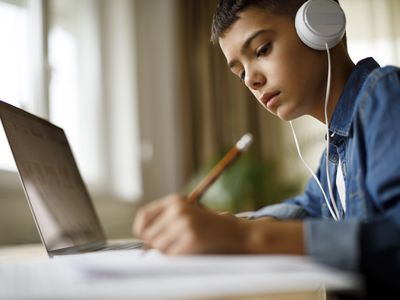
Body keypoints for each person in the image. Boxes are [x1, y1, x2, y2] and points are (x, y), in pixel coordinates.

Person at [133, 0, 400, 295]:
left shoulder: (385, 95)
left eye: (261, 50)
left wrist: (244, 237)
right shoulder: (337, 150)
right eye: (240, 73)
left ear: (321, 26)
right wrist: (231, 226)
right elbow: (305, 208)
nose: (252, 80)